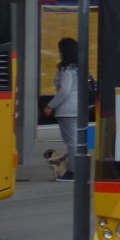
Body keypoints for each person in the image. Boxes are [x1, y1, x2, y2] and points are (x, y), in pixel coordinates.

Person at [42, 37, 79, 182]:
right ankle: (77, 170)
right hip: (77, 108)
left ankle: (73, 172)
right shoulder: (79, 68)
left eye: (60, 50)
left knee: (72, 142)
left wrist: (50, 105)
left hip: (67, 109)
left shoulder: (67, 69)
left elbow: (64, 91)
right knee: (76, 141)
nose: (59, 53)